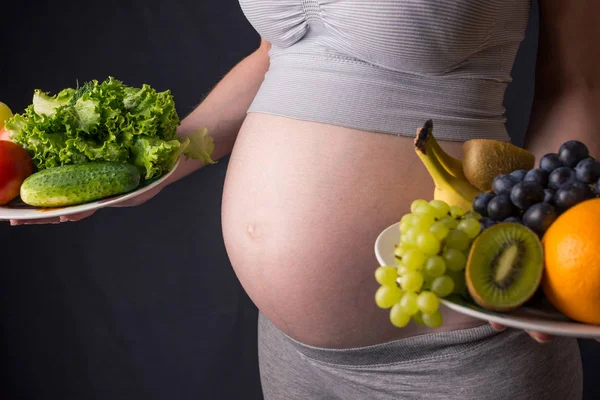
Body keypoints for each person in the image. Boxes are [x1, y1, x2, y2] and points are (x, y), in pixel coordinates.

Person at [10, 0, 599, 398]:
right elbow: (280, 55)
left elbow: (577, 81)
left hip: (462, 351)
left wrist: (550, 264)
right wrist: (154, 166)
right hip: (294, 357)